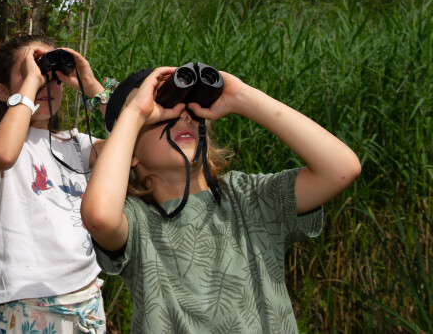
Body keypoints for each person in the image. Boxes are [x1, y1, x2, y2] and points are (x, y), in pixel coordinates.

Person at [81, 66, 361, 333]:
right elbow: (99, 217)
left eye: (190, 108)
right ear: (129, 151)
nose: (183, 116)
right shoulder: (137, 220)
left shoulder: (249, 198)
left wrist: (241, 96)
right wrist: (135, 112)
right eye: (161, 112)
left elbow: (340, 170)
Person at [0, 34, 116, 333]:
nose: (45, 83)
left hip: (88, 300)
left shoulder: (75, 143)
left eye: (54, 78)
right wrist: (32, 82)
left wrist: (91, 85)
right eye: (30, 73)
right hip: (29, 303)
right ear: (2, 91)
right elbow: (3, 155)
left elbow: (134, 150)